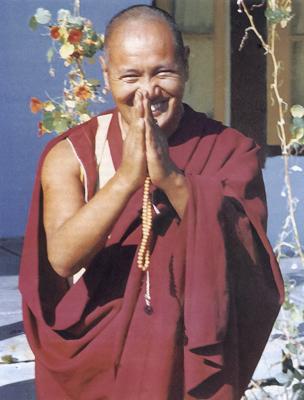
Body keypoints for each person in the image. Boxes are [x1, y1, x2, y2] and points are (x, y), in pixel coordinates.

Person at [19, 4, 284, 400]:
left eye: (163, 72)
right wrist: (127, 177)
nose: (148, 91)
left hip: (186, 363)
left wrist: (173, 181)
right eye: (130, 75)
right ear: (106, 74)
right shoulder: (72, 154)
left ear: (186, 65)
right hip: (93, 368)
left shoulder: (228, 150)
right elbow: (61, 258)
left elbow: (249, 259)